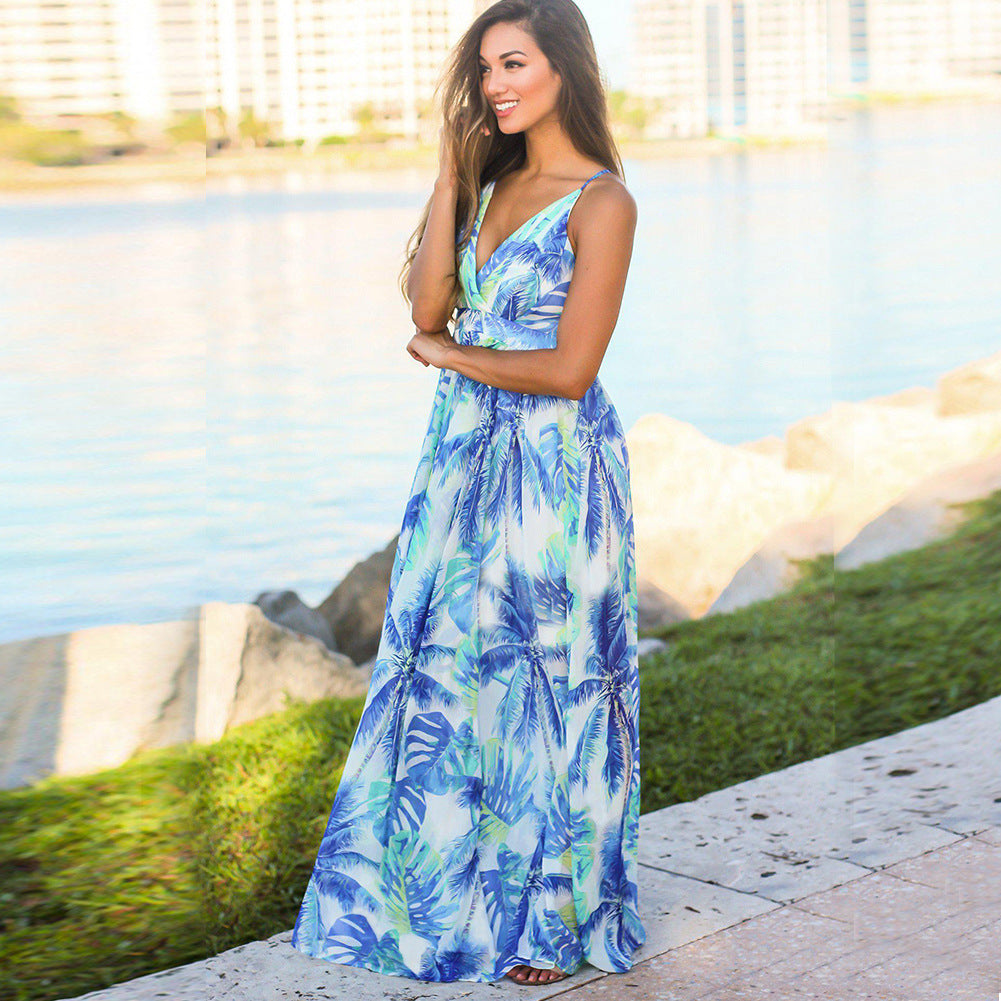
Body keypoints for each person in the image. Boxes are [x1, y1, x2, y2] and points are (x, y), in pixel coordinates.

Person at [290, 0, 644, 986]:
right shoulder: (492, 184)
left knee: (546, 679)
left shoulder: (600, 201)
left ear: (563, 66)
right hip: (459, 458)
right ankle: (442, 894)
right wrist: (451, 168)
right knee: (443, 667)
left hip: (552, 468)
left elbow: (571, 369)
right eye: (485, 68)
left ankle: (551, 919)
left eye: (514, 63)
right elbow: (425, 304)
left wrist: (451, 355)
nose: (496, 84)